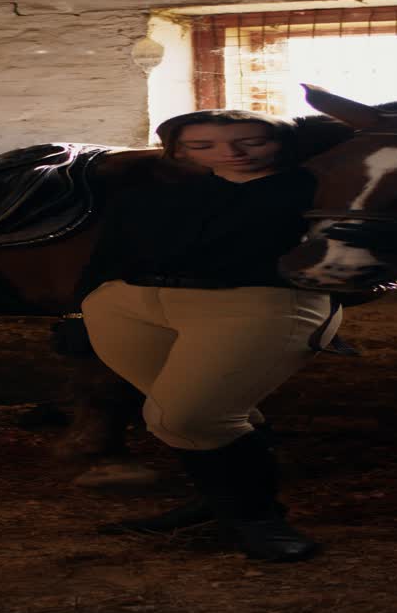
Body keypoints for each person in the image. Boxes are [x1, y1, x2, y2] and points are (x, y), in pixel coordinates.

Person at [76, 109, 345, 563]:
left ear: (279, 141)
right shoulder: (158, 193)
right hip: (128, 304)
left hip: (257, 304)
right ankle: (219, 503)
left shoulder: (317, 189)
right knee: (192, 413)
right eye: (204, 146)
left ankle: (258, 519)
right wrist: (82, 307)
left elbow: (392, 232)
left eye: (251, 142)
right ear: (179, 150)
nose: (230, 154)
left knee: (185, 418)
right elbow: (109, 252)